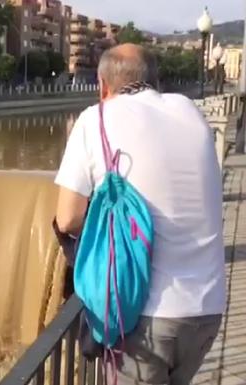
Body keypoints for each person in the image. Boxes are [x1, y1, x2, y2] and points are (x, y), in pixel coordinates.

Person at [55, 43, 225, 385]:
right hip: (207, 309)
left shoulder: (95, 119)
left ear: (103, 86)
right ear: (154, 81)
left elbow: (67, 218)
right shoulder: (190, 111)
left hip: (146, 320)